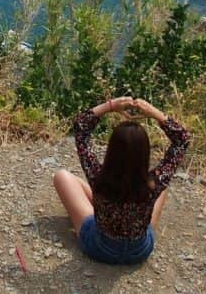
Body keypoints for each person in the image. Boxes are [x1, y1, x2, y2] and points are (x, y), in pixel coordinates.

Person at [53, 96, 190, 265]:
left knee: (62, 177)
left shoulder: (96, 175)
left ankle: (106, 212)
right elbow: (182, 139)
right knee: (162, 189)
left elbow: (81, 127)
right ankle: (131, 223)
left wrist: (110, 106)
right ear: (145, 153)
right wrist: (153, 113)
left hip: (100, 248)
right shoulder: (154, 183)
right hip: (139, 251)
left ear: (112, 150)